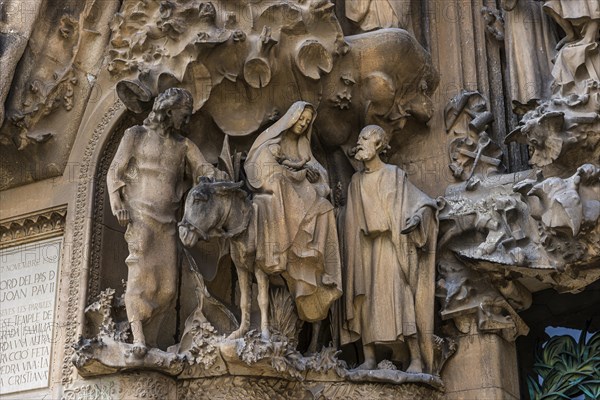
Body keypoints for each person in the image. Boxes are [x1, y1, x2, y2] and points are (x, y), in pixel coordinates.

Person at [107, 88, 219, 356]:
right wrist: (116, 202)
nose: (187, 121)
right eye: (184, 115)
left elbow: (202, 167)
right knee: (139, 275)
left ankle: (151, 339)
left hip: (168, 221)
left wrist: (210, 176)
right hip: (139, 215)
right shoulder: (135, 135)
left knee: (168, 288)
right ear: (169, 112)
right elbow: (114, 170)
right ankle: (138, 338)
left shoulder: (183, 145)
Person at [341, 125, 439, 373]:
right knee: (365, 300)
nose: (359, 143)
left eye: (364, 138)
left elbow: (424, 204)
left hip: (393, 246)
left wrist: (417, 219)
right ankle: (369, 358)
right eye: (360, 138)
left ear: (378, 144)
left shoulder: (395, 175)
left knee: (401, 297)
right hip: (365, 249)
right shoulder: (355, 182)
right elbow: (349, 218)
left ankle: (416, 358)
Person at [244, 101, 342, 340]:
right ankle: (285, 246)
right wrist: (287, 173)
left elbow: (320, 176)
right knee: (279, 183)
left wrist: (312, 174)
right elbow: (258, 172)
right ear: (291, 117)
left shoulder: (302, 144)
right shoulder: (270, 142)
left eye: (307, 122)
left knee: (327, 208)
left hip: (301, 195)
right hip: (279, 198)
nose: (303, 124)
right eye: (301, 119)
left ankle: (320, 261)